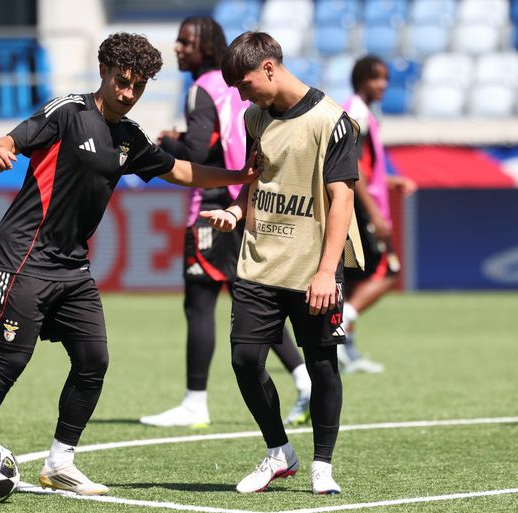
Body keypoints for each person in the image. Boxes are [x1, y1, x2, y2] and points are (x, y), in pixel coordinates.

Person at [0, 32, 262, 499]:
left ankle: (60, 462)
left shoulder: (128, 138)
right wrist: (1, 145)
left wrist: (239, 176)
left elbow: (177, 170)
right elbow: (15, 137)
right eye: (122, 82)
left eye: (138, 87)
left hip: (71, 267)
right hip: (23, 256)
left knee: (94, 360)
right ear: (104, 72)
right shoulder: (69, 112)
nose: (128, 93)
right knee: (12, 358)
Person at [200, 32, 364, 495]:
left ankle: (323, 465)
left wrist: (327, 271)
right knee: (244, 359)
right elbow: (257, 178)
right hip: (259, 262)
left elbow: (341, 201)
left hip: (313, 267)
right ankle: (279, 452)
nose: (240, 94)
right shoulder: (256, 117)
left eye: (245, 83)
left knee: (322, 364)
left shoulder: (333, 122)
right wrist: (237, 210)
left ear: (269, 68)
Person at [139, 16, 312, 429]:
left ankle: (195, 402)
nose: (178, 48)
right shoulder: (240, 84)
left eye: (185, 42)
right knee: (253, 301)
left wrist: (167, 143)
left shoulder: (202, 89)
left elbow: (198, 149)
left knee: (199, 301)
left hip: (216, 202)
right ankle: (305, 379)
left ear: (206, 46)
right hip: (248, 199)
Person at [339, 56, 417, 374]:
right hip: (361, 207)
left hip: (358, 204)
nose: (383, 84)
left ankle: (348, 351)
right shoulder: (357, 111)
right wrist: (374, 212)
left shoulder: (361, 110)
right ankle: (342, 321)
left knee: (356, 280)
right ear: (361, 80)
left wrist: (391, 180)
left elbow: (365, 166)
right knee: (388, 271)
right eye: (376, 78)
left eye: (385, 78)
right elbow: (352, 166)